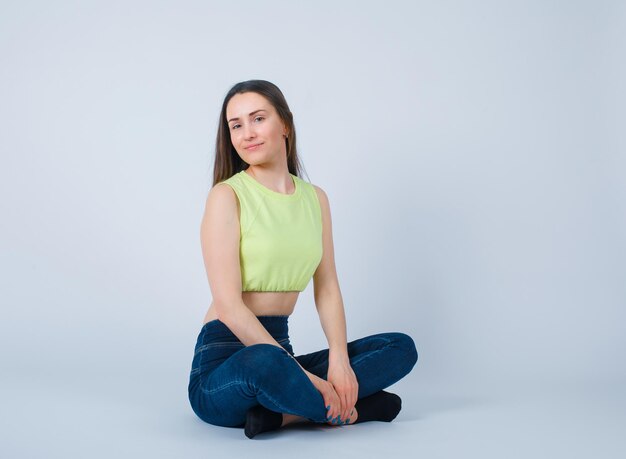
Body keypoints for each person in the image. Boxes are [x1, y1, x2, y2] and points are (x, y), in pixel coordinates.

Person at [187, 79, 418, 439]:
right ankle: (355, 409)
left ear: (285, 125)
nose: (247, 132)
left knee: (400, 347)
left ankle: (286, 416)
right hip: (227, 364)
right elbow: (229, 307)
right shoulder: (226, 196)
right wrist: (309, 378)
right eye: (236, 125)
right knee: (266, 363)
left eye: (258, 118)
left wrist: (339, 363)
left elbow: (327, 288)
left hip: (282, 355)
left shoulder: (316, 199)